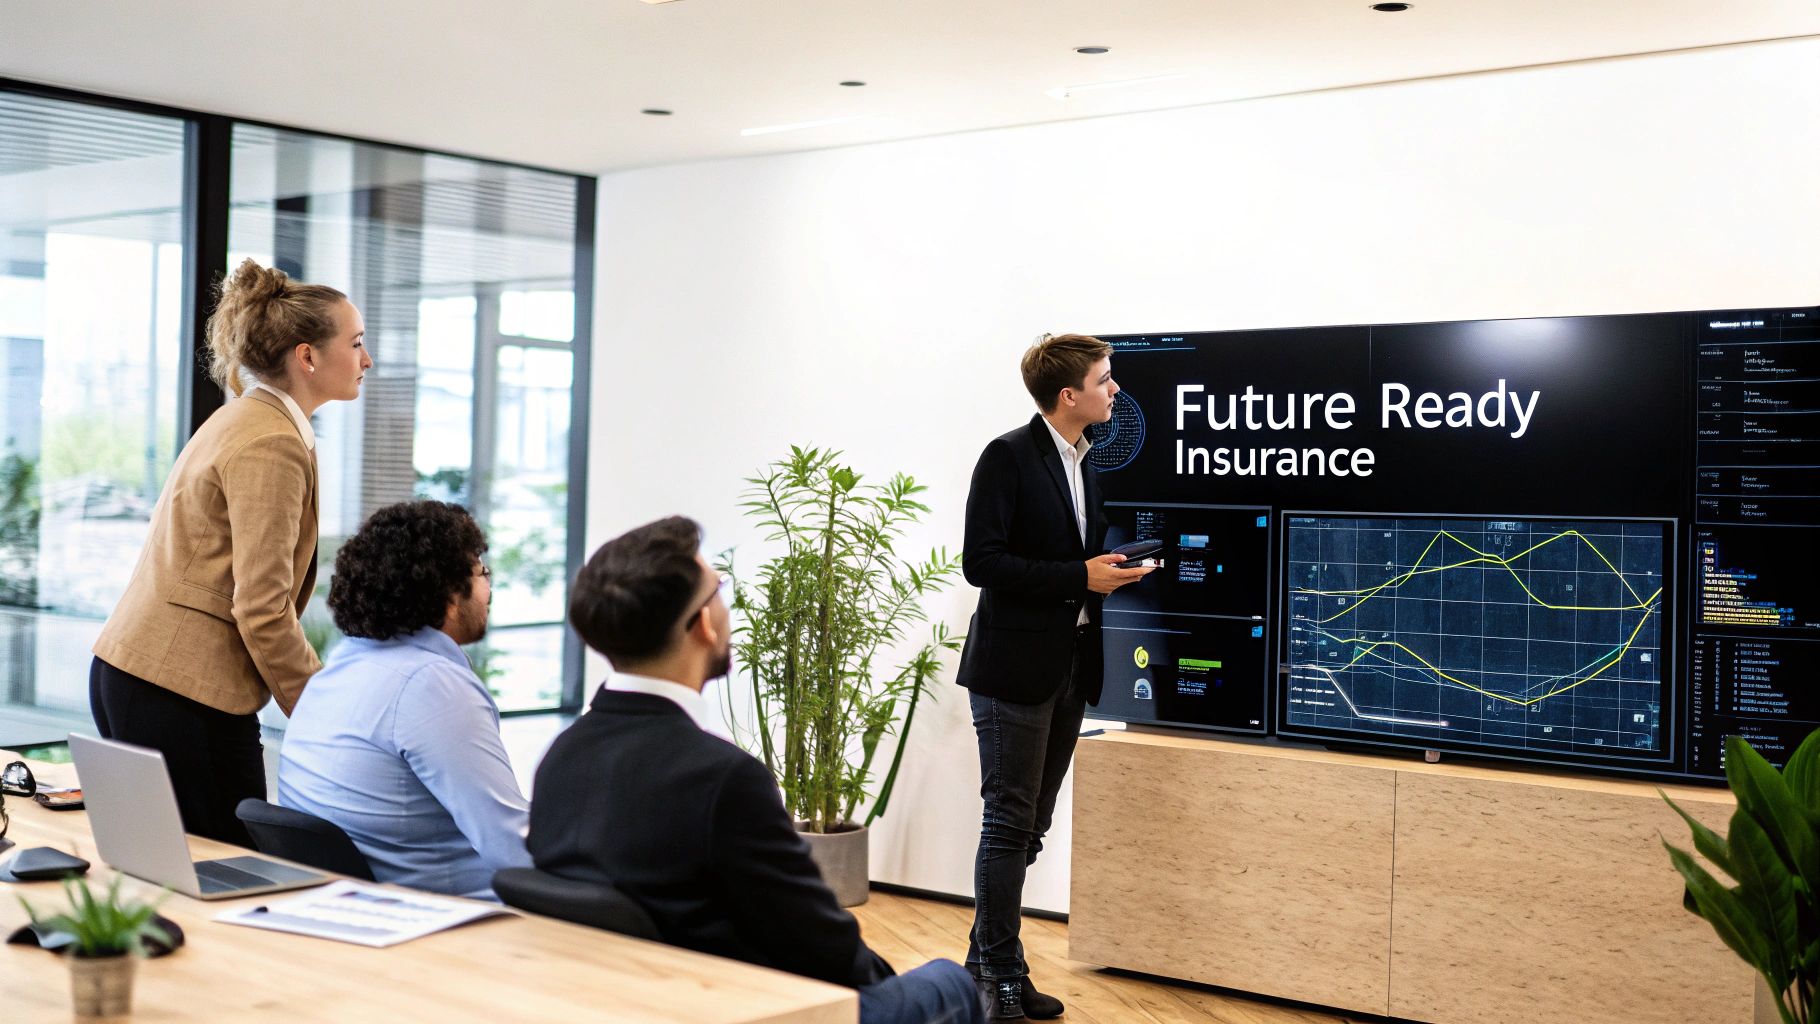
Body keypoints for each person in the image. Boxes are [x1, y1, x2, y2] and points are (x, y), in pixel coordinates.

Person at [529, 516, 983, 1024]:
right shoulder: (722, 778)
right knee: (951, 983)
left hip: (618, 1002)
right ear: (703, 623)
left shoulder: (561, 757)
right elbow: (824, 945)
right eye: (718, 589)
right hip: (741, 1005)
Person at [90, 258, 372, 845]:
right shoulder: (271, 441)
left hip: (146, 672)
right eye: (357, 343)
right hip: (178, 687)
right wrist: (324, 715)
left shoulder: (246, 418)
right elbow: (263, 604)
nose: (366, 360)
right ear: (308, 356)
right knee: (228, 868)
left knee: (173, 864)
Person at [956, 333, 1154, 1020]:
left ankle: (983, 965)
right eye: (1105, 380)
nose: (1115, 390)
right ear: (1069, 395)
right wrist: (1081, 576)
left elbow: (1068, 563)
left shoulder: (1085, 462)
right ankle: (998, 982)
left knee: (1031, 824)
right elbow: (981, 562)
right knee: (1009, 822)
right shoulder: (1007, 457)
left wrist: (1105, 576)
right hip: (1013, 670)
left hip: (1069, 665)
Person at [276, 500, 530, 898]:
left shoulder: (339, 670)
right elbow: (513, 848)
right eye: (483, 573)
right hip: (453, 918)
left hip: (353, 907)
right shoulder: (432, 686)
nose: (489, 589)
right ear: (449, 595)